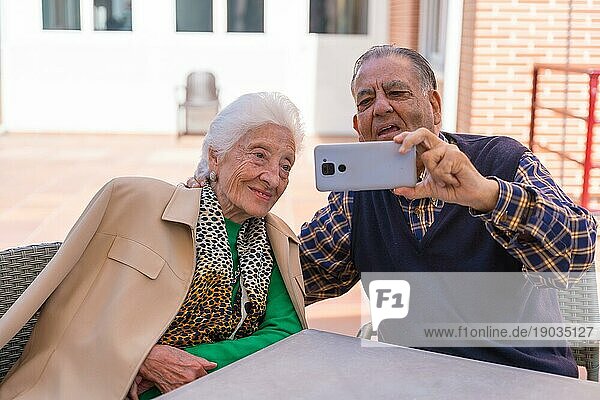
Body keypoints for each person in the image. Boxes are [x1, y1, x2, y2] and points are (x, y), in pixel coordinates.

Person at [299, 45, 597, 377]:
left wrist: (486, 196)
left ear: (434, 107)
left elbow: (577, 252)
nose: (381, 107)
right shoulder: (356, 198)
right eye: (366, 101)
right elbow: (297, 279)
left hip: (521, 377)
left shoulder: (503, 160)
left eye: (397, 92)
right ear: (359, 127)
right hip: (412, 380)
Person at [0, 92, 307, 400]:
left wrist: (193, 364)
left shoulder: (273, 238)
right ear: (215, 155)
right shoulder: (136, 203)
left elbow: (285, 333)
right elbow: (73, 314)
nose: (273, 178)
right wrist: (140, 357)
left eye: (286, 166)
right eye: (259, 155)